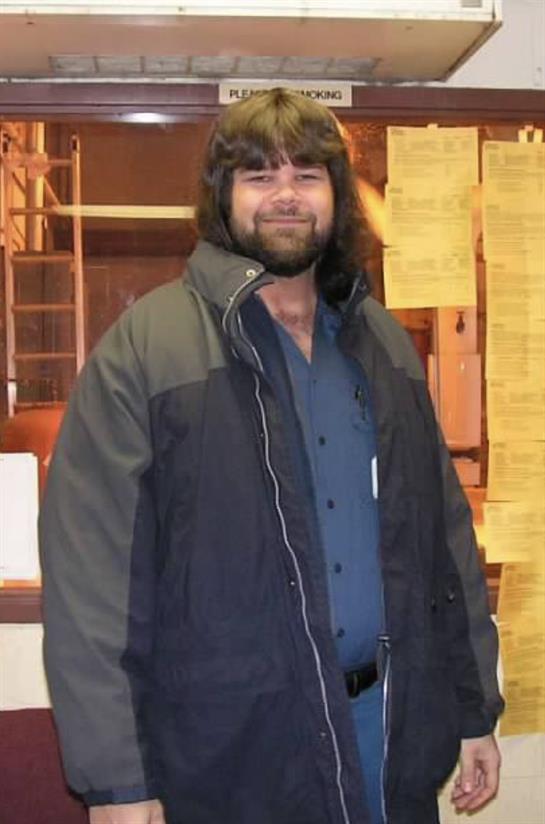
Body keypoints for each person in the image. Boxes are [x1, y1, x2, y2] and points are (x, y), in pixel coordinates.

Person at [39, 88, 503, 824]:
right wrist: (119, 781)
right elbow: (92, 582)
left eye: (306, 175)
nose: (286, 195)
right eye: (259, 176)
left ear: (336, 195)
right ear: (222, 196)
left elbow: (443, 542)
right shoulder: (146, 350)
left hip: (388, 733)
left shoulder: (383, 345)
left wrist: (474, 710)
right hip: (233, 754)